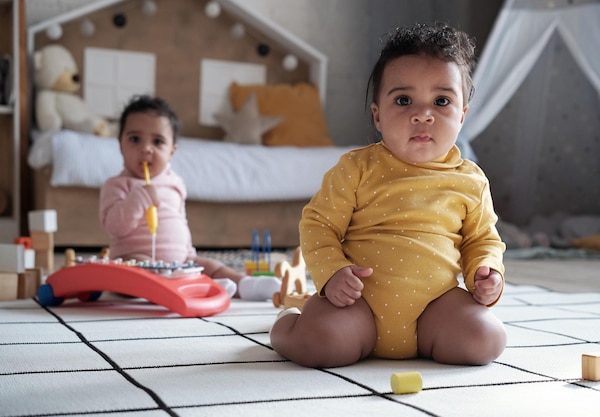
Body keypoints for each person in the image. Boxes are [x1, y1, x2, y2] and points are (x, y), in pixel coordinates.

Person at [270, 23, 507, 368]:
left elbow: (482, 239)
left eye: (442, 101)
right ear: (378, 116)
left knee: (486, 338)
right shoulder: (357, 168)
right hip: (357, 305)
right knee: (320, 344)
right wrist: (332, 272)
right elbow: (319, 224)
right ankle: (287, 323)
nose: (423, 114)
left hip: (435, 307)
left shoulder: (470, 180)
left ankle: (434, 341)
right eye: (403, 100)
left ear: (462, 116)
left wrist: (487, 273)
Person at [99, 95, 280, 300]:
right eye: (135, 139)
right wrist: (138, 199)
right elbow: (114, 226)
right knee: (139, 265)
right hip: (132, 260)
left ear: (172, 152)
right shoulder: (116, 185)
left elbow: (180, 222)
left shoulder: (175, 183)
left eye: (158, 141)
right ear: (120, 144)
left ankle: (245, 285)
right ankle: (197, 286)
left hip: (179, 261)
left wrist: (188, 252)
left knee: (211, 265)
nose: (146, 148)